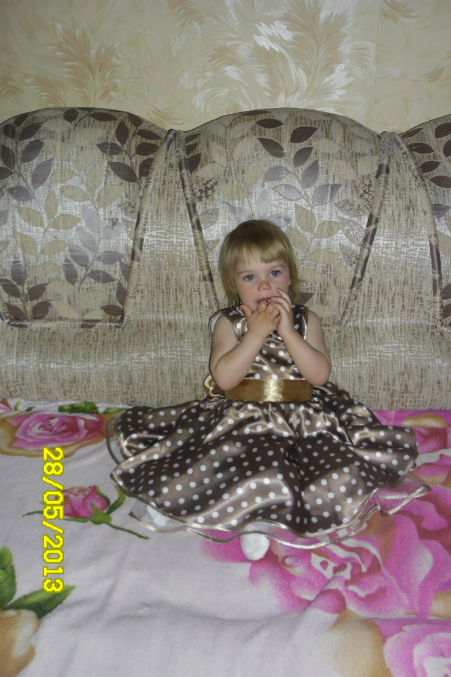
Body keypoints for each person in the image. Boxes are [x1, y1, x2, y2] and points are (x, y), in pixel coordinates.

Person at [108, 220, 428, 560]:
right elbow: (224, 379)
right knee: (213, 462)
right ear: (233, 284)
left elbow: (320, 375)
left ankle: (258, 523)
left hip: (302, 418)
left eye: (274, 272)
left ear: (290, 276)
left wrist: (288, 332)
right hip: (240, 416)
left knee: (301, 470)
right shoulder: (228, 322)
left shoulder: (306, 320)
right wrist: (255, 334)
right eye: (250, 277)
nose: (265, 285)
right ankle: (169, 501)